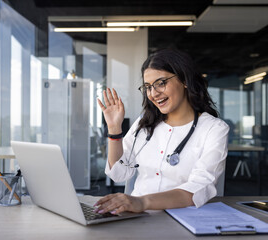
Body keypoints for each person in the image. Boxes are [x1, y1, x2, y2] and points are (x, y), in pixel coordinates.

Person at [94, 48, 229, 215]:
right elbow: (119, 173)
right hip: (137, 216)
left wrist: (142, 201)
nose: (153, 93)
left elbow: (198, 189)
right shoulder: (145, 123)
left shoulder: (213, 129)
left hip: (184, 219)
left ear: (184, 80)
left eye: (161, 83)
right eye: (148, 87)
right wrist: (114, 129)